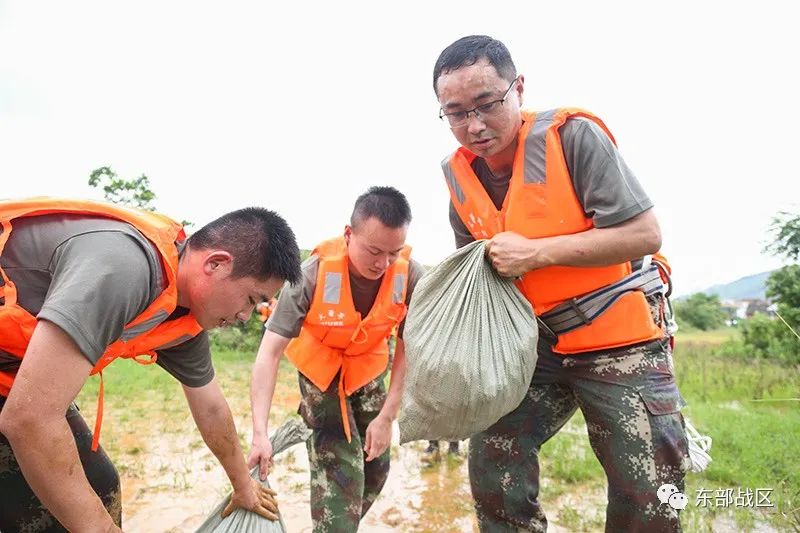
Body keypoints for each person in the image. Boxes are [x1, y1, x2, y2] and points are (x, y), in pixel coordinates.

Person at [433, 36, 689, 532]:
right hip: (537, 347)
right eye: (457, 113)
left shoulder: (573, 139)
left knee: (649, 489)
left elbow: (644, 233)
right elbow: (476, 276)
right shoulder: (460, 181)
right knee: (493, 457)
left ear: (518, 89)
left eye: (487, 104)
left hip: (619, 340)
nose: (475, 125)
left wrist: (538, 253)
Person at [0, 197, 301, 531]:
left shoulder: (182, 317)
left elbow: (212, 408)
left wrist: (243, 486)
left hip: (12, 381)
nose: (246, 316)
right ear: (216, 263)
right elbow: (30, 419)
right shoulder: (123, 269)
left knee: (97, 484)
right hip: (22, 399)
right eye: (251, 299)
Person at [248, 186, 425, 532]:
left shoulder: (411, 276)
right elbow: (269, 353)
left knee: (375, 469)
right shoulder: (311, 274)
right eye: (374, 251)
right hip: (322, 377)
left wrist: (387, 417)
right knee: (341, 473)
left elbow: (410, 349)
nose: (382, 264)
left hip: (369, 370)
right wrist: (260, 434)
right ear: (348, 234)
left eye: (393, 253)